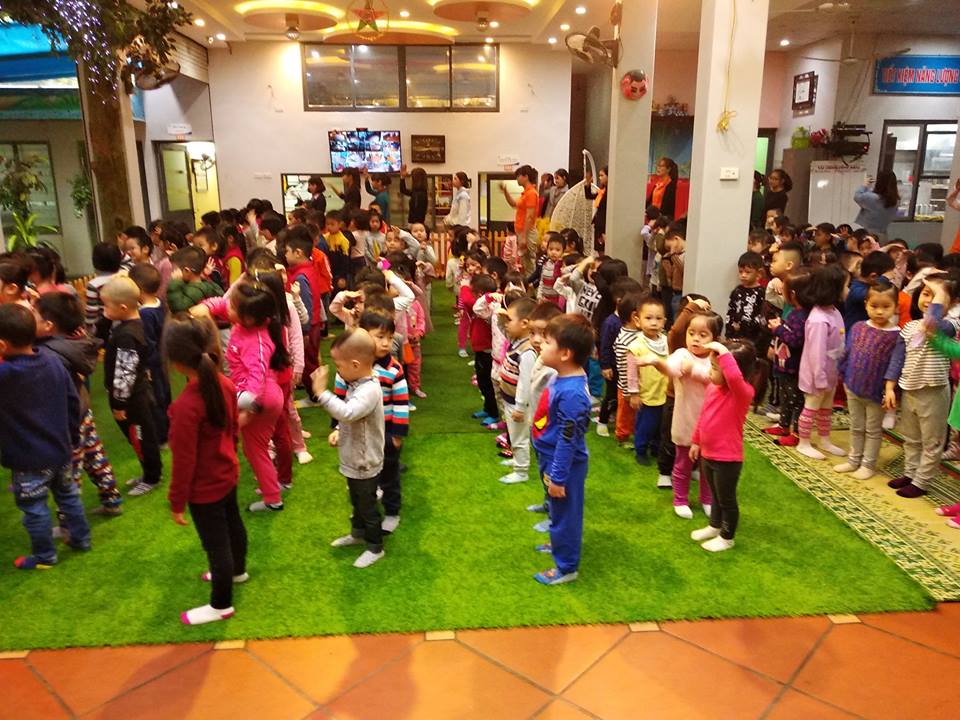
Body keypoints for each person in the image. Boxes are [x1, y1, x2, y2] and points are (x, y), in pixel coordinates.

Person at [165, 317, 248, 625]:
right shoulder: (224, 383)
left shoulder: (186, 406)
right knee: (233, 526)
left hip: (205, 488)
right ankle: (237, 571)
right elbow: (234, 428)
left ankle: (220, 605)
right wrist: (231, 456)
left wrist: (176, 502)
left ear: (176, 363)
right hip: (227, 472)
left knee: (216, 545)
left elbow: (183, 461)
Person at [0, 303, 90, 569]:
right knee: (69, 496)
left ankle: (44, 555)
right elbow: (73, 402)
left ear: (2, 345)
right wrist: (72, 437)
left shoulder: (5, 375)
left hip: (27, 459)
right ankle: (81, 539)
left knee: (34, 506)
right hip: (61, 450)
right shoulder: (53, 362)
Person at [34, 292, 122, 516]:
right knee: (95, 456)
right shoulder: (76, 340)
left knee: (70, 471)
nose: (30, 316)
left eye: (35, 314)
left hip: (66, 419)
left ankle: (69, 522)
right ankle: (112, 499)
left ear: (49, 325)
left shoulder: (47, 354)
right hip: (81, 409)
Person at [311, 328, 385, 568]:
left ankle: (375, 547)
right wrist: (338, 431)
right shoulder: (357, 383)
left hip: (364, 461)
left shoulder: (369, 389)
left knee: (367, 506)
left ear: (355, 365)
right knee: (356, 500)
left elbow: (349, 412)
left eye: (339, 366)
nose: (338, 371)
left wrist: (321, 393)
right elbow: (351, 417)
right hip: (354, 457)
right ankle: (358, 533)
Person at [884, 273, 960, 498]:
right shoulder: (909, 327)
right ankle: (910, 473)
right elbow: (897, 359)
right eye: (926, 294)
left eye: (936, 296)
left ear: (952, 303)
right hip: (910, 389)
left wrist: (940, 293)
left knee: (932, 441)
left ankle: (921, 481)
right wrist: (890, 387)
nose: (929, 300)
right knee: (911, 437)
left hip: (934, 391)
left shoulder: (950, 326)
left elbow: (932, 324)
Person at [640, 310, 721, 518]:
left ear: (715, 339)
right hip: (686, 419)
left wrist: (693, 370)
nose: (695, 339)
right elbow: (671, 370)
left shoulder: (717, 359)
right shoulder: (682, 355)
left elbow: (716, 380)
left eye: (703, 335)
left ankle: (707, 499)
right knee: (683, 463)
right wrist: (657, 362)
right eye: (691, 333)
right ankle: (680, 499)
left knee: (707, 466)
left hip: (711, 424)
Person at [532, 314, 593, 585]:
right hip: (551, 456)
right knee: (558, 510)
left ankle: (567, 567)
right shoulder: (563, 377)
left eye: (547, 342)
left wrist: (558, 477)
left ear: (565, 353)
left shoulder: (573, 394)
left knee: (566, 514)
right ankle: (559, 544)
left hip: (564, 464)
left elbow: (568, 441)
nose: (540, 344)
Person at [689, 340, 756, 553]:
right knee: (715, 495)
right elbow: (704, 416)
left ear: (729, 370)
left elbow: (734, 378)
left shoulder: (743, 393)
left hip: (727, 459)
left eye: (715, 368)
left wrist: (724, 352)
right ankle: (714, 526)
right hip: (708, 454)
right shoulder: (713, 388)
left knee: (726, 499)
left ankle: (727, 537)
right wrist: (696, 441)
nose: (710, 372)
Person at [102, 276, 163, 497]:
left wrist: (119, 403)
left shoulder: (128, 336)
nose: (104, 311)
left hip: (133, 401)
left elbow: (125, 373)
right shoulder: (131, 327)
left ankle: (152, 477)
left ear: (123, 307)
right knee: (138, 438)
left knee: (141, 438)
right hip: (134, 395)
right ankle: (148, 472)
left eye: (106, 306)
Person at [834, 281, 900, 481]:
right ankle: (853, 460)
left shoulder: (896, 335)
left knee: (872, 430)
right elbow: (848, 353)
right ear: (866, 304)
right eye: (874, 306)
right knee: (856, 426)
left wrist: (890, 391)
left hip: (876, 393)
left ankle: (868, 464)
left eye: (886, 306)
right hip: (853, 386)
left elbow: (895, 366)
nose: (879, 311)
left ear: (895, 307)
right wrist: (843, 376)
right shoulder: (858, 327)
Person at [355, 309, 408, 534]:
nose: (386, 343)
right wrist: (337, 426)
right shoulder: (357, 365)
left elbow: (401, 403)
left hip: (386, 432)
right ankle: (366, 505)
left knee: (389, 474)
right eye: (380, 337)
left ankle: (392, 512)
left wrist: (397, 434)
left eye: (390, 337)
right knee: (366, 471)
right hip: (363, 431)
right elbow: (346, 396)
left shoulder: (394, 369)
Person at [795, 264, 847, 460]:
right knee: (811, 407)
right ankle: (804, 442)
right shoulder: (818, 319)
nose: (847, 290)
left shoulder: (834, 312)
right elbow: (816, 354)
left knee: (826, 407)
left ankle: (824, 439)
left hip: (831, 372)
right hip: (817, 375)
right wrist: (820, 378)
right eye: (845, 286)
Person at [764, 268, 812, 447]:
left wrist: (778, 329)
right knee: (785, 398)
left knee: (796, 400)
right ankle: (783, 425)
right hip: (784, 364)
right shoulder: (795, 312)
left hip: (793, 367)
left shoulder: (802, 316)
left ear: (792, 294)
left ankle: (796, 433)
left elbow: (795, 340)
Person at [129, 264, 171, 445]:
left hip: (153, 363)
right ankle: (168, 429)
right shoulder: (159, 303)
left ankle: (161, 436)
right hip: (161, 359)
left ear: (139, 289)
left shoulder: (145, 314)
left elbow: (147, 343)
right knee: (164, 395)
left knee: (157, 399)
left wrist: (146, 366)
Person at [498, 297, 538, 485]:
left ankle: (521, 471)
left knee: (519, 437)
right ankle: (517, 460)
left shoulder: (527, 351)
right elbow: (502, 329)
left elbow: (525, 383)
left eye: (509, 320)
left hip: (517, 403)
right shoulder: (516, 341)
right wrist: (502, 317)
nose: (506, 324)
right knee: (515, 435)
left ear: (524, 324)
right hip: (509, 399)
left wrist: (520, 407)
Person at [625, 297, 668, 465]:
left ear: (664, 321)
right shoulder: (636, 346)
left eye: (658, 318)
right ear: (638, 320)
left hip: (664, 393)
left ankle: (656, 448)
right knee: (645, 425)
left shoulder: (666, 341)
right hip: (646, 395)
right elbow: (631, 373)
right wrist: (634, 393)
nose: (654, 323)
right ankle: (641, 450)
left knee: (661, 426)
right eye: (648, 318)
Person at [463, 273, 499, 423]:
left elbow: (471, 303)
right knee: (483, 381)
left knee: (488, 383)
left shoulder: (489, 308)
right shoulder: (485, 306)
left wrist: (464, 286)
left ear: (479, 295)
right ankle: (488, 408)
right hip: (480, 350)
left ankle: (494, 412)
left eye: (473, 293)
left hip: (487, 351)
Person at [613, 292, 644, 444]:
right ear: (635, 317)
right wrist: (627, 391)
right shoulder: (625, 339)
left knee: (635, 413)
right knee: (625, 413)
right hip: (627, 387)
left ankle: (632, 432)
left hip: (639, 384)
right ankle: (622, 436)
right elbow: (623, 367)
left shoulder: (638, 334)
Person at [501, 165, 539, 274]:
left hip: (527, 232)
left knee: (529, 264)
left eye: (518, 176)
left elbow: (529, 216)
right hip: (522, 231)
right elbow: (514, 204)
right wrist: (505, 192)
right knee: (525, 263)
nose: (517, 179)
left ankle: (531, 284)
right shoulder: (525, 193)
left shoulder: (531, 193)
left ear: (525, 177)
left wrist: (523, 236)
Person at [726, 251, 767, 351]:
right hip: (735, 335)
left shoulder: (762, 292)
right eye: (740, 272)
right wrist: (729, 329)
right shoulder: (737, 291)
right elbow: (730, 311)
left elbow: (763, 315)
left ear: (759, 273)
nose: (743, 275)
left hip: (754, 337)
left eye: (748, 272)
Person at [167, 246, 224, 314]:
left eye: (176, 269)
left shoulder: (196, 291)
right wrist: (204, 276)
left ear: (187, 271)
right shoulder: (203, 284)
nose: (173, 272)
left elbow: (179, 308)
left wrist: (175, 283)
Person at [85, 242, 123, 341]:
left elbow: (92, 312)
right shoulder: (124, 277)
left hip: (105, 328)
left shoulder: (94, 284)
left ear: (95, 261)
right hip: (124, 323)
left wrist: (89, 334)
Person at [854, 171, 900, 239]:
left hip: (869, 235)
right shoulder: (896, 201)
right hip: (883, 235)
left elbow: (857, 196)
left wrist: (865, 185)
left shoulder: (874, 198)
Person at [584, 166, 608, 254]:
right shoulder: (602, 190)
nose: (600, 178)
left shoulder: (610, 192)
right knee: (599, 249)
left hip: (604, 224)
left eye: (602, 175)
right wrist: (588, 184)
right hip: (598, 223)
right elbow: (589, 196)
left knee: (603, 249)